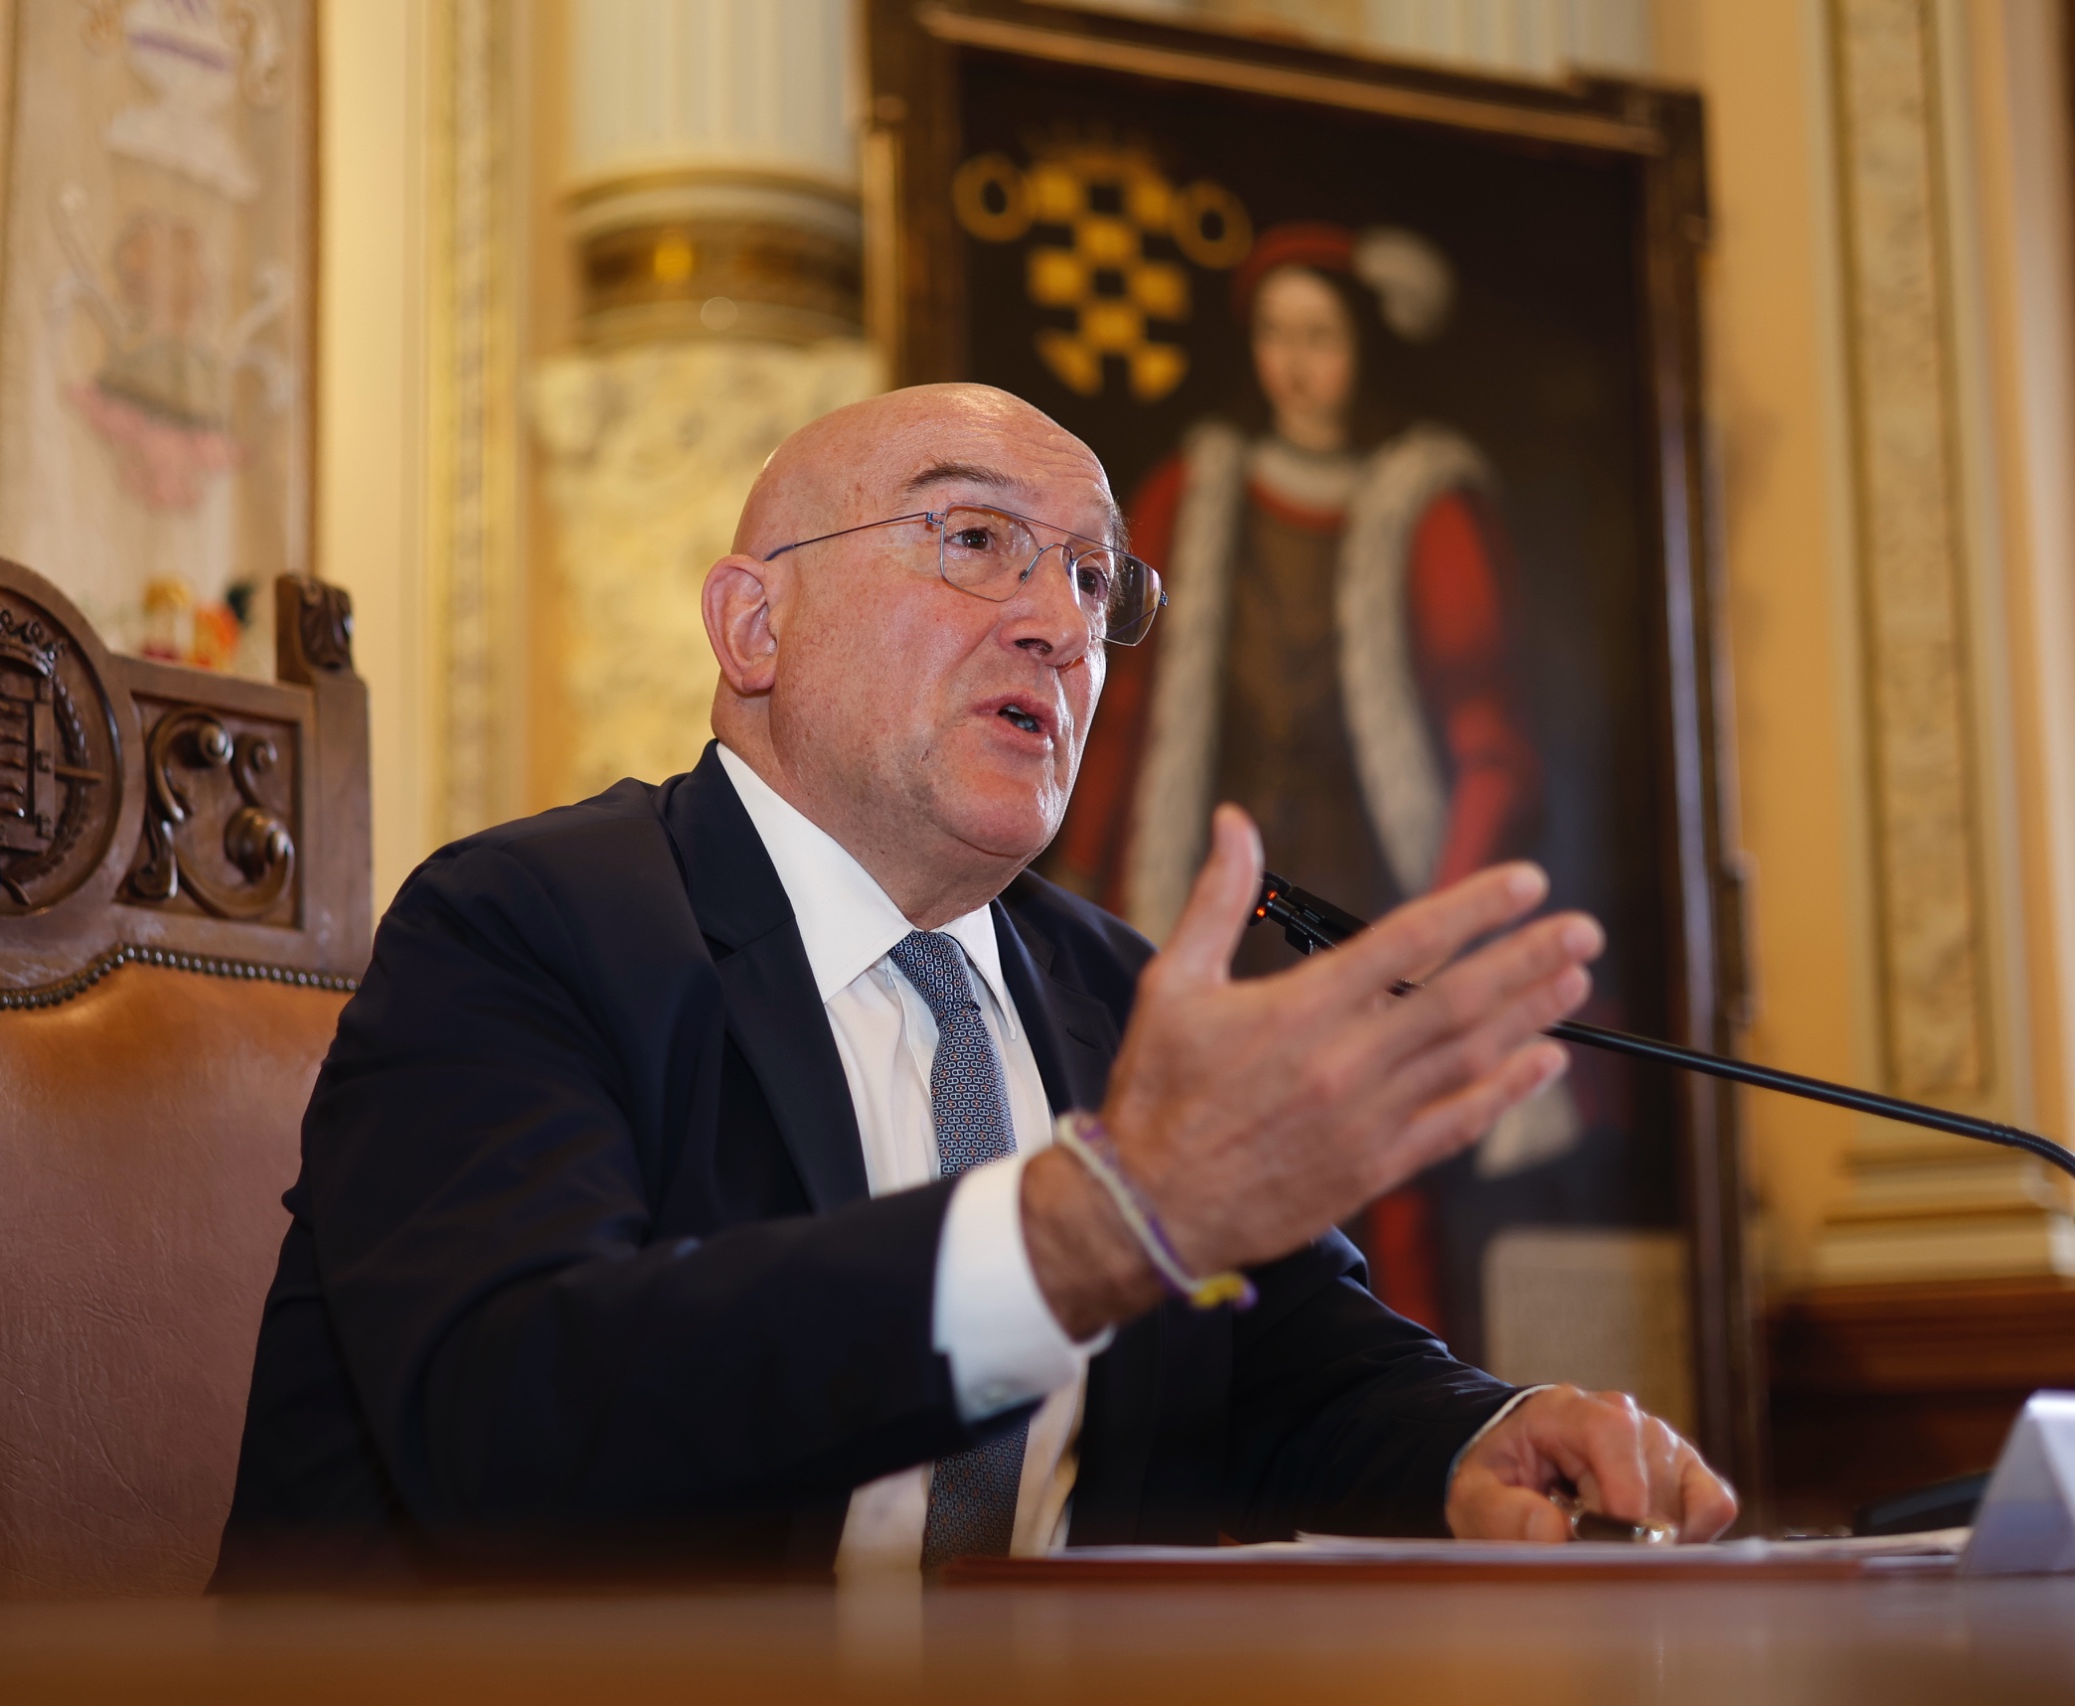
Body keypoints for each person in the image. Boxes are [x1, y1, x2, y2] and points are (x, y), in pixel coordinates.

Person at [211, 383, 1734, 1584]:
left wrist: (1483, 1437)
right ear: (754, 624)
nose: (1059, 623)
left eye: (1092, 576)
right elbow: (517, 1419)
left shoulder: (1120, 997)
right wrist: (1073, 1236)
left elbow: (1298, 1368)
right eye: (973, 540)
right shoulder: (522, 926)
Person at [1053, 222, 1573, 1336]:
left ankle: (1399, 1406)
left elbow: (1490, 737)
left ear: (1362, 346)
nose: (1294, 363)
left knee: (1384, 1182)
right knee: (1199, 1169)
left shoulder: (1425, 500)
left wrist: (1432, 927)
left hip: (1359, 887)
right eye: (1276, 334)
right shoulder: (1196, 487)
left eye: (1320, 336)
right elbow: (1126, 708)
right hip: (1220, 888)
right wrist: (1084, 874)